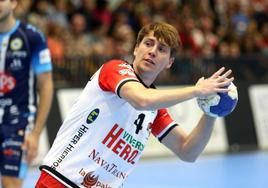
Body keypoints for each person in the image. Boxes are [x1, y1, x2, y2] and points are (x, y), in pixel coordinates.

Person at [36, 22, 233, 188]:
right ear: (136, 49)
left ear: (169, 62)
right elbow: (141, 99)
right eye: (148, 44)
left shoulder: (155, 110)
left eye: (162, 49)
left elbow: (187, 151)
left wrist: (212, 109)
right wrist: (196, 90)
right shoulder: (115, 69)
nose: (152, 52)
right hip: (61, 181)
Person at [0, 0, 53, 187]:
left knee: (10, 183)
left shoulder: (32, 37)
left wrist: (36, 133)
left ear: (14, 3)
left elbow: (46, 86)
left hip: (18, 123)